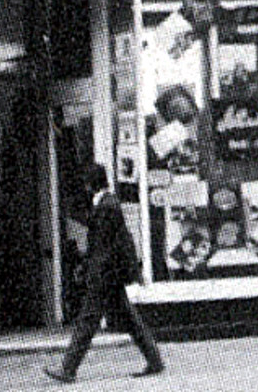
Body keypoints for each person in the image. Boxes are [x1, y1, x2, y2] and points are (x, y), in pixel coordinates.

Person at [45, 164, 164, 383]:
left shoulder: (107, 205)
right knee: (129, 319)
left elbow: (104, 243)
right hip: (110, 274)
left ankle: (68, 369)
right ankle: (155, 360)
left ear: (91, 184)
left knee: (88, 321)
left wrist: (92, 269)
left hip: (105, 274)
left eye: (86, 182)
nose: (85, 186)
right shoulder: (106, 203)